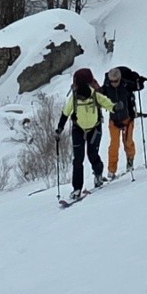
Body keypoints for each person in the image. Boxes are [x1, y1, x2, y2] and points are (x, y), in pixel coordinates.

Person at [55, 67, 115, 200]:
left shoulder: (93, 95)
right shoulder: (75, 98)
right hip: (79, 129)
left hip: (94, 128)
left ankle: (98, 175)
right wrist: (59, 128)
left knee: (92, 154)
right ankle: (77, 188)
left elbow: (106, 103)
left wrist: (115, 107)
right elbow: (66, 112)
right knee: (78, 159)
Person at [100, 65, 147, 179]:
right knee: (114, 146)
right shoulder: (106, 87)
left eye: (116, 81)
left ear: (120, 79)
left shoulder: (126, 85)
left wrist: (139, 81)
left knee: (128, 142)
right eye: (112, 81)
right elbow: (98, 96)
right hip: (114, 121)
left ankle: (130, 161)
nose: (113, 83)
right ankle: (111, 171)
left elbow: (138, 87)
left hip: (128, 119)